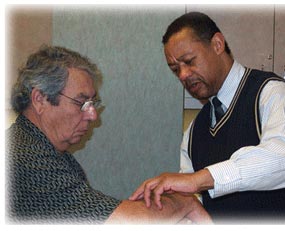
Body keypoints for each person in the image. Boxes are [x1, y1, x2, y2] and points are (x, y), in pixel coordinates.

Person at [6, 45, 212, 224]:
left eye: (92, 103)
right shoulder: (28, 158)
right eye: (81, 103)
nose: (93, 114)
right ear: (40, 99)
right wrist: (185, 201)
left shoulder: (43, 150)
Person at [129, 12, 285, 224]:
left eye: (189, 61)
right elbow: (193, 204)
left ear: (217, 44)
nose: (183, 75)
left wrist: (199, 180)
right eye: (175, 69)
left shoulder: (272, 93)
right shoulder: (194, 131)